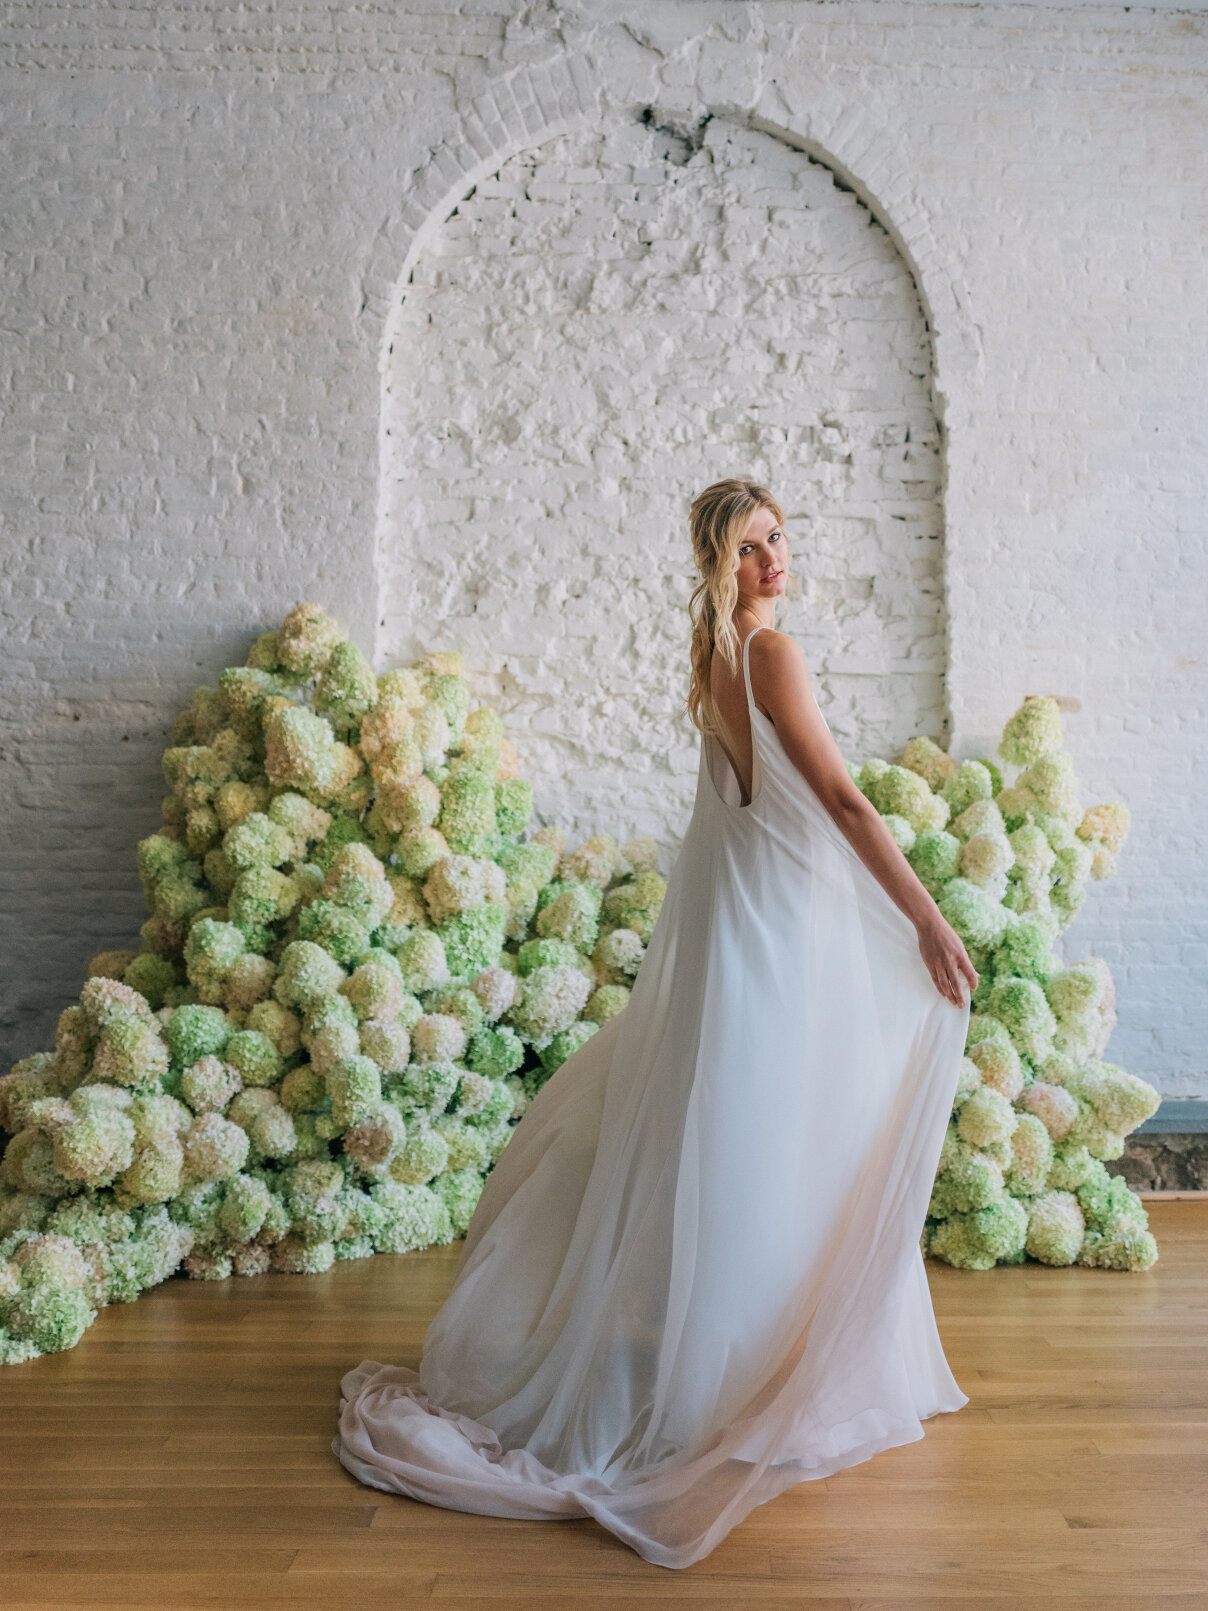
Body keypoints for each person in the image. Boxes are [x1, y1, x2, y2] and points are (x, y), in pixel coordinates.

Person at [332, 478, 979, 1569]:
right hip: (777, 936)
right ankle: (738, 1391)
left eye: (777, 540)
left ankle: (738, 1370)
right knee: (785, 1146)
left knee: (755, 1147)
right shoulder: (769, 656)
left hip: (755, 930)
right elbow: (841, 802)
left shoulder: (711, 666)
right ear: (716, 565)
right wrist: (923, 918)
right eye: (748, 549)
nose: (772, 560)